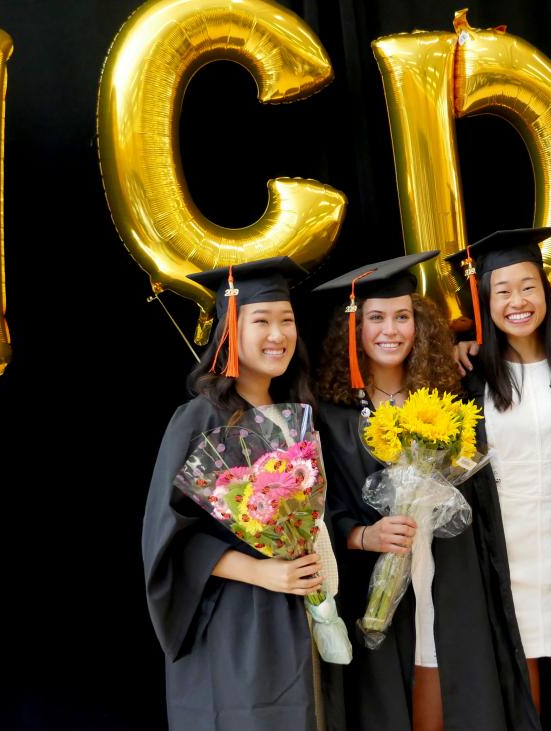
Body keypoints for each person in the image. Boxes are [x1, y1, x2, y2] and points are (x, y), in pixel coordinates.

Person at [311, 251, 538, 731]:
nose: (390, 330)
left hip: (447, 571)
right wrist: (361, 536)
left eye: (403, 317)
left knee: (450, 686)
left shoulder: (449, 402)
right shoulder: (328, 417)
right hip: (369, 580)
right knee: (387, 702)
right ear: (354, 329)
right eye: (376, 318)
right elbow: (315, 509)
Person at [141, 257, 339, 730]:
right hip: (238, 618)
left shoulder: (298, 414)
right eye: (261, 321)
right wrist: (261, 571)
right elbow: (169, 541)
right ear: (230, 331)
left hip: (302, 606)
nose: (278, 335)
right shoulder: (202, 418)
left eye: (286, 321)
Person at [446, 228, 551, 729]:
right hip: (501, 539)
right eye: (503, 291)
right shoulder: (470, 376)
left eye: (528, 286)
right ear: (485, 301)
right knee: (515, 657)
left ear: (546, 292)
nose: (517, 301)